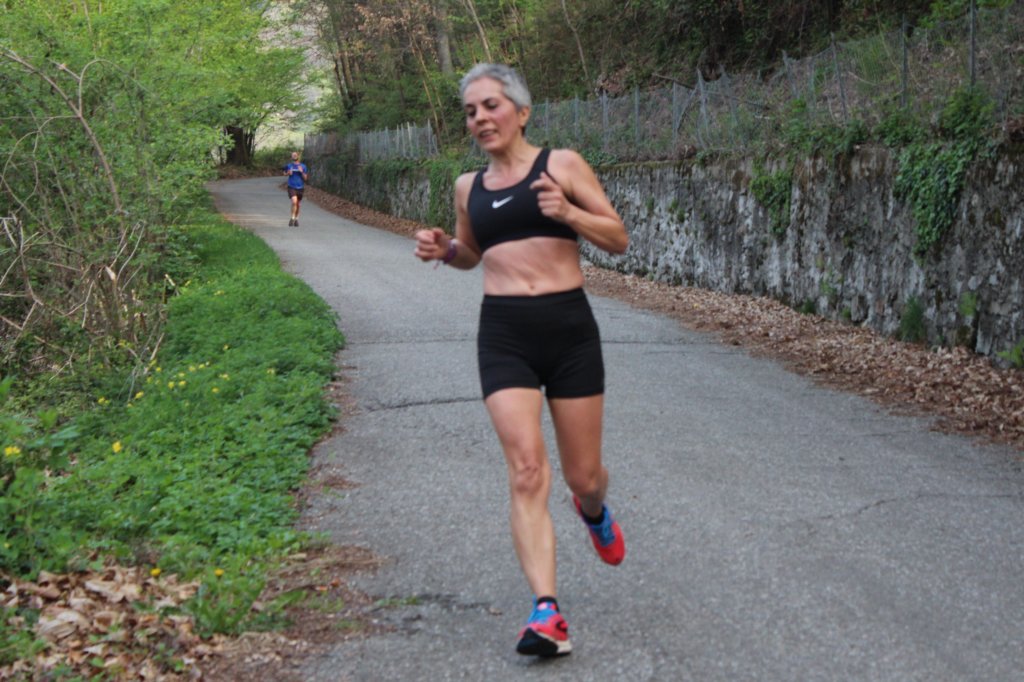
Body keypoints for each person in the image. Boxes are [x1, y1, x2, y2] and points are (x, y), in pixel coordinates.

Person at [414, 63, 629, 658]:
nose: (480, 118)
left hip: (569, 331)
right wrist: (445, 249)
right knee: (528, 469)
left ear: (522, 112)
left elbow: (617, 237)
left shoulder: (563, 165)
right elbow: (471, 252)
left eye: (491, 106)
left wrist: (569, 213)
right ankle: (546, 613)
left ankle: (593, 511)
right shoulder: (468, 186)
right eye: (470, 111)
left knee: (584, 476)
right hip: (504, 333)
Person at [283, 151, 308, 226]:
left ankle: (296, 219)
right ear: (291, 157)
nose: (294, 156)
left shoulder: (303, 166)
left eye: (295, 155)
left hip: (300, 187)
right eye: (293, 155)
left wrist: (301, 172)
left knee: (298, 204)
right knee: (294, 201)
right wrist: (288, 173)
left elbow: (305, 178)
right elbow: (284, 173)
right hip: (291, 186)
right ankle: (292, 218)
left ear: (298, 156)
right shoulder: (289, 166)